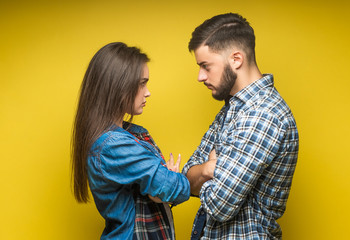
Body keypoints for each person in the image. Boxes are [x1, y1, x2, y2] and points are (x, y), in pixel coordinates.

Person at [182, 13, 299, 239]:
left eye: (206, 66)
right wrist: (208, 169)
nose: (199, 76)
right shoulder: (233, 109)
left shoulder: (263, 114)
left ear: (236, 59)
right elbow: (188, 173)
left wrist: (204, 175)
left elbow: (219, 205)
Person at [71, 42, 190, 240]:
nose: (148, 92)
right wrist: (173, 180)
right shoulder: (113, 145)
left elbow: (162, 190)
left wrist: (165, 185)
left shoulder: (131, 134)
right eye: (141, 83)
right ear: (117, 86)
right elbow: (171, 189)